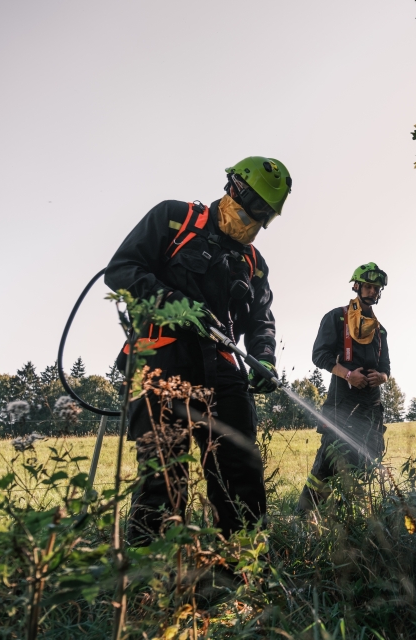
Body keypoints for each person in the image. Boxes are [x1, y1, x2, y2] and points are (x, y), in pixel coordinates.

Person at [104, 156, 291, 544]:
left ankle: (242, 561)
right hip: (160, 358)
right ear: (234, 188)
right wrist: (175, 303)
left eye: (265, 216)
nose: (255, 221)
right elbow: (121, 270)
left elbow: (261, 318)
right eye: (253, 208)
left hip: (220, 368)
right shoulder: (175, 219)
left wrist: (265, 356)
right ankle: (149, 567)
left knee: (240, 468)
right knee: (163, 476)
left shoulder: (253, 262)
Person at [297, 263, 391, 512]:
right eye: (368, 286)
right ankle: (305, 514)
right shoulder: (336, 318)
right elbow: (319, 355)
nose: (372, 291)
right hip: (342, 403)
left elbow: (386, 368)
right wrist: (348, 375)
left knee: (367, 460)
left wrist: (380, 377)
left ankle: (346, 515)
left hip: (371, 407)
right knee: (331, 458)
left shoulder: (380, 330)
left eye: (376, 288)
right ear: (357, 286)